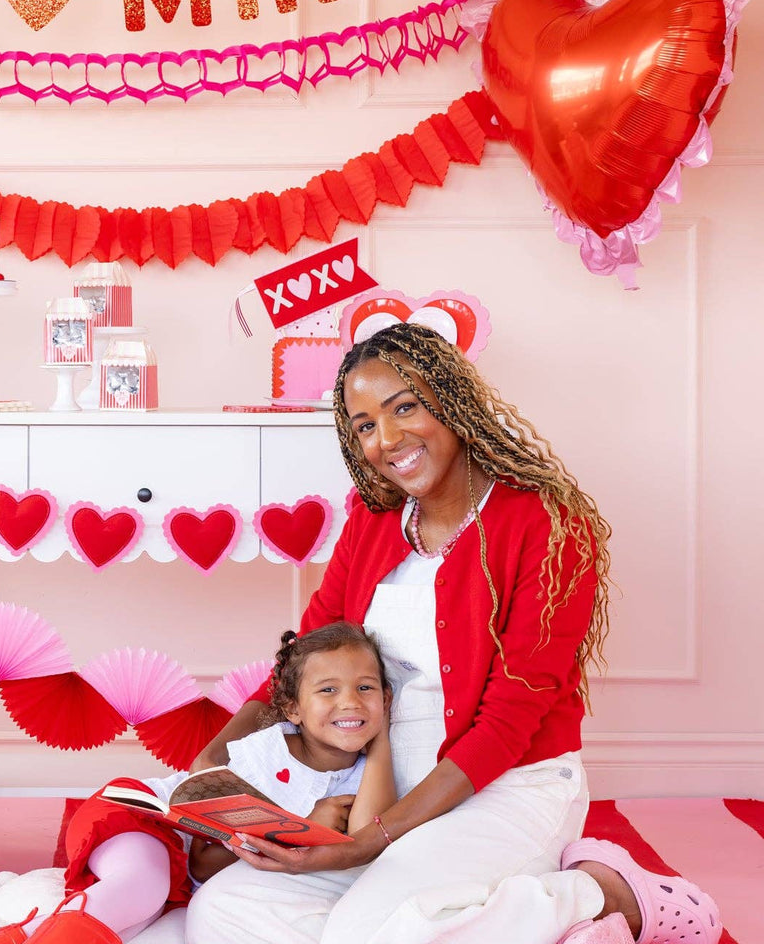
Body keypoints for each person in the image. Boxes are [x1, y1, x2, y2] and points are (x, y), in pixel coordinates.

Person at [183, 322, 723, 944]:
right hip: (384, 787)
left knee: (372, 935)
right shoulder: (375, 517)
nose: (387, 440)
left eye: (404, 407)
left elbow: (506, 726)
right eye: (364, 426)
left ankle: (597, 895)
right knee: (222, 911)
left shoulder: (547, 523)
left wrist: (365, 845)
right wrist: (216, 758)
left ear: (452, 400)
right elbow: (311, 650)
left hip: (507, 787)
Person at [0, 622, 395, 944]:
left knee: (137, 925)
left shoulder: (362, 772)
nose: (351, 702)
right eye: (329, 690)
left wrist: (381, 740)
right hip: (145, 818)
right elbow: (203, 862)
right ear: (293, 709)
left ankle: (20, 936)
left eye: (366, 688)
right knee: (140, 890)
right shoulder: (267, 752)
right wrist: (303, 822)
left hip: (180, 879)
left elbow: (367, 834)